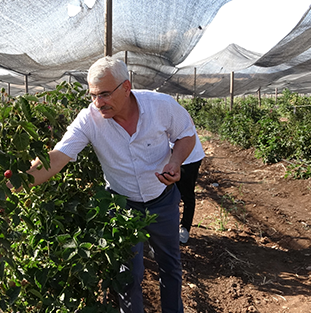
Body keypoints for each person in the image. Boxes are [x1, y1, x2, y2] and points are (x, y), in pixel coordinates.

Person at [21, 56, 195, 313]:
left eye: (104, 94)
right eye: (92, 95)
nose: (98, 102)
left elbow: (187, 135)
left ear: (126, 87)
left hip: (163, 200)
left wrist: (175, 161)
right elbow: (57, 157)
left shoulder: (161, 106)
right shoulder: (89, 119)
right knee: (127, 276)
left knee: (170, 267)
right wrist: (18, 180)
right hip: (123, 208)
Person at [175, 129, 205, 244]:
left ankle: (185, 228)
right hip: (170, 156)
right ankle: (170, 226)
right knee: (169, 194)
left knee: (186, 194)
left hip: (190, 158)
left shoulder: (177, 114)